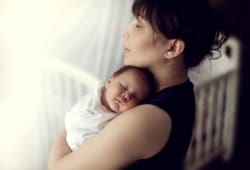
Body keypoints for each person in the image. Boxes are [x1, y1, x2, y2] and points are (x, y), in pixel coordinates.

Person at [48, 0, 228, 169]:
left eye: (138, 26)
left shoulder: (144, 119)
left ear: (172, 48)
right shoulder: (180, 90)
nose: (125, 31)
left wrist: (73, 120)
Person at [64, 65, 155, 152]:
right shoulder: (88, 106)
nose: (126, 95)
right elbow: (74, 123)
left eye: (134, 96)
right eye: (123, 86)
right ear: (109, 81)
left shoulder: (126, 118)